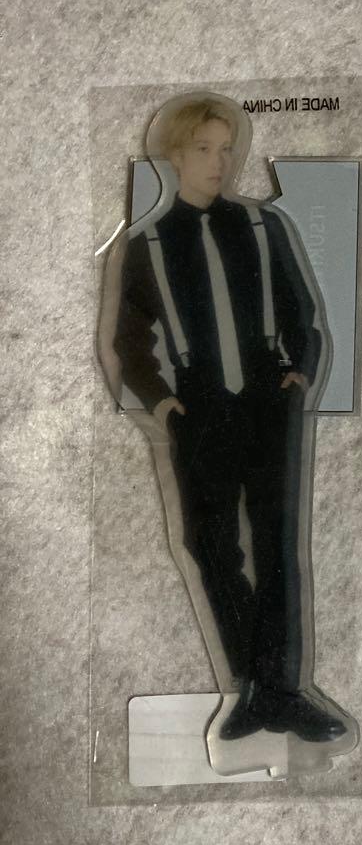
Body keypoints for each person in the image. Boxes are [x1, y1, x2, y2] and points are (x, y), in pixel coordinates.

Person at [105, 94, 349, 744]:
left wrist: (300, 373)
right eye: (204, 150)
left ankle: (280, 692)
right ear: (175, 156)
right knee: (208, 543)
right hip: (199, 406)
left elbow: (301, 313)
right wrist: (162, 401)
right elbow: (128, 341)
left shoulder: (265, 228)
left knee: (277, 545)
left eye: (226, 149)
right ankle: (257, 683)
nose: (220, 162)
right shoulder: (149, 244)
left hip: (269, 401)